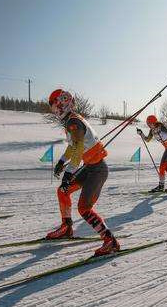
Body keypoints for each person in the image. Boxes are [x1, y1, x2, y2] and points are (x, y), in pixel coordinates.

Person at [46, 89, 120, 256]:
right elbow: (73, 146)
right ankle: (66, 228)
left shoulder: (73, 122)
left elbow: (78, 149)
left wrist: (68, 174)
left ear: (61, 103)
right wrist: (61, 162)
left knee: (84, 208)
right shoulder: (71, 121)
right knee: (62, 191)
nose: (54, 110)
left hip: (97, 170)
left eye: (54, 106)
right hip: (89, 168)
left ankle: (110, 241)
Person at [137, 115, 167, 193]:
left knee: (165, 166)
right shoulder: (152, 130)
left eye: (150, 123)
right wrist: (141, 134)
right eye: (148, 124)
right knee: (162, 167)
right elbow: (147, 140)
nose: (149, 125)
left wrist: (160, 132)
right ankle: (161, 186)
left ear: (154, 122)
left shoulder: (160, 127)